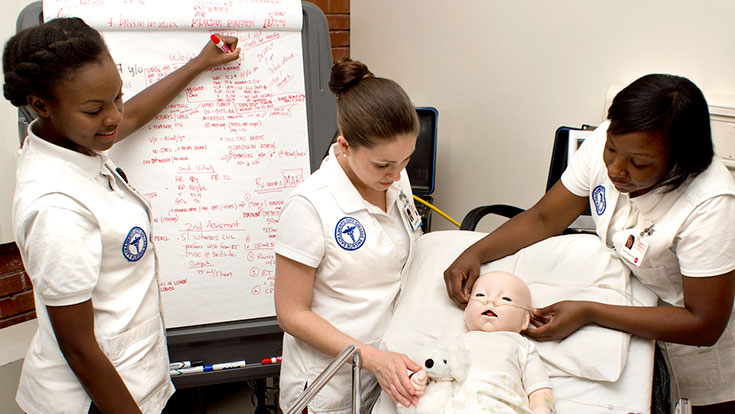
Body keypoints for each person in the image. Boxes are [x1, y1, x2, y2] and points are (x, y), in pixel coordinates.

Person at [444, 74, 735, 412]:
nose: (614, 168)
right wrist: (474, 252)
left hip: (698, 344)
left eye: (638, 164)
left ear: (680, 162)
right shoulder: (611, 142)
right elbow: (544, 218)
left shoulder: (712, 205)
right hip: (632, 298)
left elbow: (704, 324)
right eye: (611, 150)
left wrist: (589, 311)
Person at [3, 17, 240, 413]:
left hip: (135, 379)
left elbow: (128, 118)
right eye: (95, 109)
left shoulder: (75, 142)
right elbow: (78, 348)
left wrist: (199, 63)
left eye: (117, 96)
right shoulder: (56, 207)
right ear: (40, 104)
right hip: (96, 400)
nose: (113, 116)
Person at [274, 57, 425, 413]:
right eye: (382, 165)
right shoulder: (310, 206)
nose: (396, 174)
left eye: (406, 160)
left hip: (387, 367)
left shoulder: (395, 180)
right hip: (330, 381)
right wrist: (371, 357)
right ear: (344, 145)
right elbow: (292, 313)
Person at [411, 271, 554, 414]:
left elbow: (538, 387)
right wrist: (418, 381)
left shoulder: (522, 346)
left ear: (524, 320)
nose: (490, 301)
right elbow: (433, 371)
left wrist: (542, 408)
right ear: (466, 313)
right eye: (480, 295)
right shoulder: (454, 342)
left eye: (506, 299)